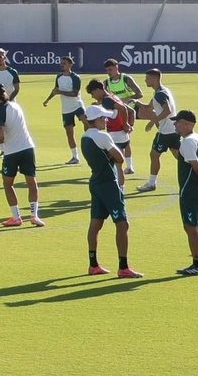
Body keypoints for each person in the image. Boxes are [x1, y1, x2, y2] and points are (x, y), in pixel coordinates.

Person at [79, 99, 141, 277]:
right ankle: (123, 267)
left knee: (95, 223)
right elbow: (120, 157)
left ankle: (93, 264)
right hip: (109, 184)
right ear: (97, 120)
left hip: (96, 182)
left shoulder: (85, 137)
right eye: (104, 119)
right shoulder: (102, 136)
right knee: (122, 224)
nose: (106, 121)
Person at [0, 83, 43, 227]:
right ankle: (34, 216)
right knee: (32, 183)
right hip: (27, 148)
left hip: (12, 152)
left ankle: (16, 217)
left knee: (8, 184)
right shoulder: (15, 106)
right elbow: (11, 126)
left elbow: (0, 137)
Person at [170, 110, 198, 276]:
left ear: (187, 124)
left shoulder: (187, 142)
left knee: (191, 227)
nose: (175, 125)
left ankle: (197, 264)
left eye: (178, 122)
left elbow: (196, 166)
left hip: (191, 190)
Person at [136, 69, 178, 193]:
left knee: (154, 155)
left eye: (147, 78)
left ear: (154, 79)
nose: (145, 80)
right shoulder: (161, 92)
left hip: (165, 131)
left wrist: (153, 121)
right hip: (173, 129)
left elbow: (167, 110)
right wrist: (137, 103)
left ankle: (151, 183)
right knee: (180, 157)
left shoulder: (160, 94)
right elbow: (149, 107)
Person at [101, 59, 142, 173]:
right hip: (117, 112)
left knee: (126, 139)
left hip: (130, 111)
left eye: (111, 69)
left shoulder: (126, 79)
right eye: (107, 70)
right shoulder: (106, 83)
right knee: (121, 140)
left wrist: (125, 99)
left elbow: (139, 93)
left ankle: (128, 166)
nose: (109, 72)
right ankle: (123, 166)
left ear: (116, 67)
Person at [40, 55, 82, 165]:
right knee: (69, 133)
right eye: (61, 63)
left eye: (64, 63)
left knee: (88, 123)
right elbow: (56, 90)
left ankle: (93, 143)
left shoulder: (75, 77)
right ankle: (75, 156)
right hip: (66, 109)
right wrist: (47, 100)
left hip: (77, 106)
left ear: (70, 65)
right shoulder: (59, 77)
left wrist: (61, 93)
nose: (62, 65)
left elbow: (75, 93)